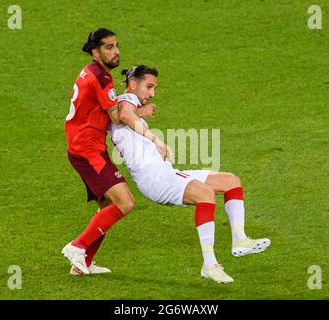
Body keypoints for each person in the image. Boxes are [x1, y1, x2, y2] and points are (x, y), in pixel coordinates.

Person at [109, 65, 271, 283]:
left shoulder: (128, 105)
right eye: (148, 87)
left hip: (163, 172)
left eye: (154, 88)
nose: (152, 94)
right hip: (153, 178)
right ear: (133, 84)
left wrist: (142, 115)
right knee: (205, 193)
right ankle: (209, 264)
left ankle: (240, 239)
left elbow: (127, 114)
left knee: (231, 181)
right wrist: (156, 139)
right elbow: (126, 114)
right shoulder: (125, 100)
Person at [62, 29, 159, 276]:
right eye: (108, 47)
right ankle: (78, 246)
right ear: (96, 52)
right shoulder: (101, 78)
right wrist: (140, 112)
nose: (115, 51)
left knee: (107, 205)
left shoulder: (93, 72)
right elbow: (117, 116)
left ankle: (81, 265)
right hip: (88, 150)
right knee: (125, 202)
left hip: (83, 146)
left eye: (116, 46)